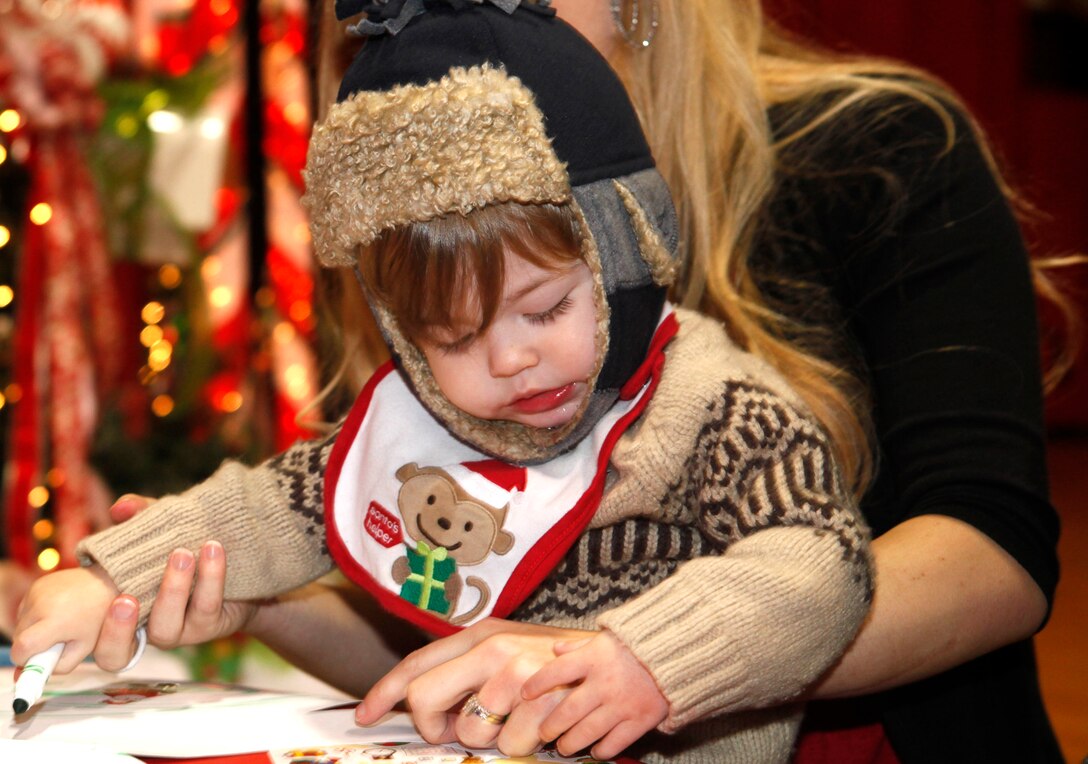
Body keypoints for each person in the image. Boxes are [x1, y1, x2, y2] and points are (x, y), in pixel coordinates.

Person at [15, 0, 1072, 760]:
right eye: (453, 335)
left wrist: (622, 653)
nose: (510, 359)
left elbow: (943, 552)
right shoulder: (441, 274)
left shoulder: (870, 164)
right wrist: (160, 579)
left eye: (540, 309)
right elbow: (348, 548)